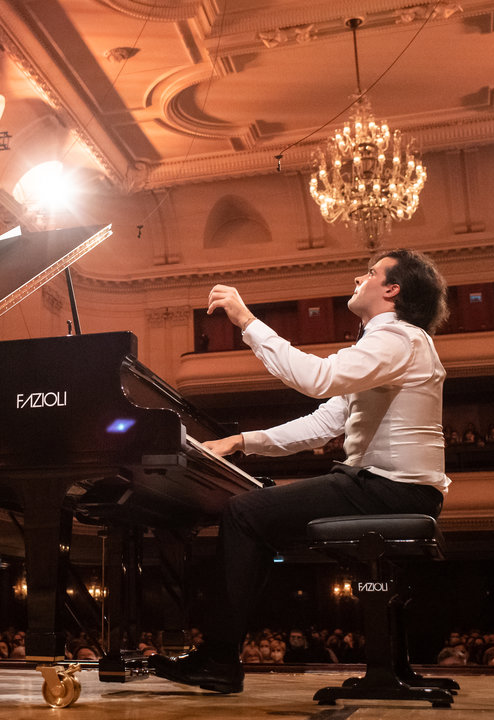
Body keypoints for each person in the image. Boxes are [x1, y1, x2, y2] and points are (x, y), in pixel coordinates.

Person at [149, 249, 450, 694]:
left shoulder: (397, 339)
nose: (357, 278)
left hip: (387, 488)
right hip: (393, 489)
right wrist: (242, 441)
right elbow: (324, 423)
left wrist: (246, 321)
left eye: (369, 273)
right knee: (256, 517)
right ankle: (395, 668)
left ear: (392, 289)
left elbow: (317, 378)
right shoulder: (395, 344)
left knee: (243, 513)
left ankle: (218, 660)